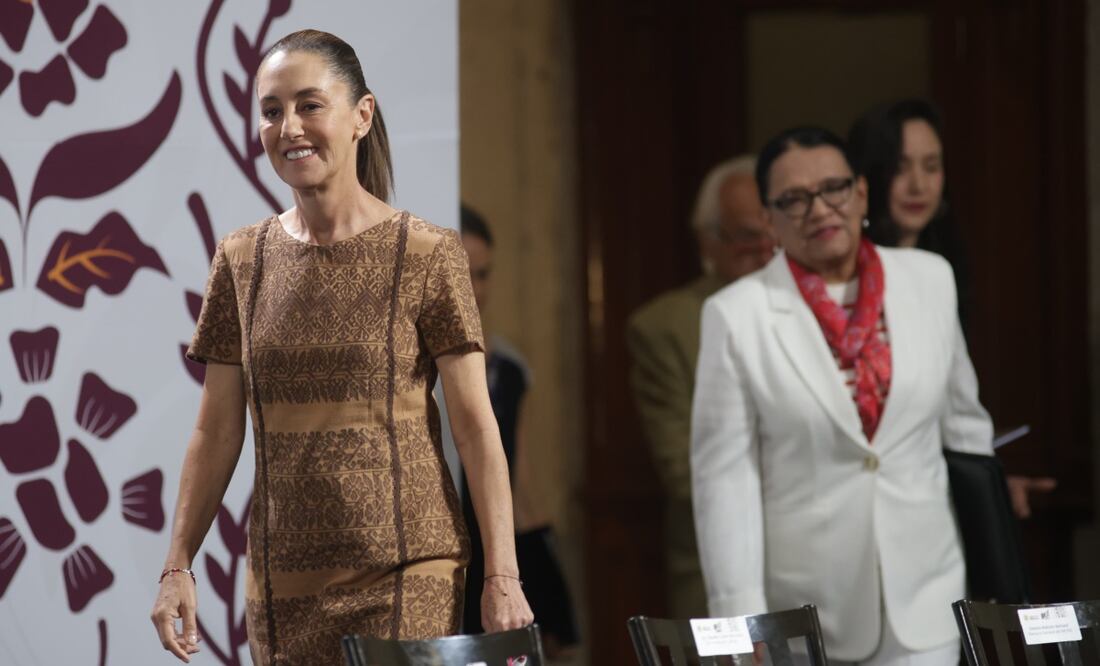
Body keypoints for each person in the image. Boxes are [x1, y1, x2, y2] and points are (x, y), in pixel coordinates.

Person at [150, 30, 532, 664]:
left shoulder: (428, 254)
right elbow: (216, 430)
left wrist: (503, 576)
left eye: (309, 105)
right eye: (272, 111)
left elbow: (474, 424)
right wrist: (176, 566)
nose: (289, 126)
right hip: (283, 586)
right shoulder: (242, 261)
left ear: (362, 115)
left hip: (410, 574)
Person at [692, 126, 993, 664]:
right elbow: (724, 477)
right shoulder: (738, 315)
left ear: (861, 193)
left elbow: (965, 425)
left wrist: (994, 548)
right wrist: (740, 619)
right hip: (806, 612)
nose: (820, 208)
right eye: (794, 199)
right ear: (769, 218)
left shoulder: (930, 280)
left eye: (834, 187)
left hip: (927, 595)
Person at [847, 98, 1056, 519]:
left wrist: (988, 484)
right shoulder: (846, 280)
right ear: (867, 177)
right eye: (900, 167)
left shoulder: (941, 269)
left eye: (931, 165)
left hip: (935, 511)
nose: (918, 185)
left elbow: (958, 415)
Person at [626, 156, 774, 617]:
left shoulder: (816, 309)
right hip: (718, 574)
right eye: (750, 235)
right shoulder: (665, 326)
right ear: (709, 240)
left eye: (777, 231)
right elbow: (684, 471)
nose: (769, 249)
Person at [458, 205, 580, 656]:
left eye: (484, 274)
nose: (474, 289)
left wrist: (546, 588)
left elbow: (521, 479)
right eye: (463, 273)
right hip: (440, 556)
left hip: (499, 550)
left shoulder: (507, 369)